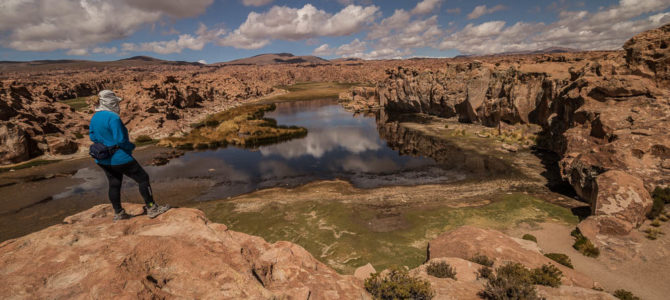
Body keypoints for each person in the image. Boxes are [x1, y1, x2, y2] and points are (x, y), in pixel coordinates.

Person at [89, 90, 170, 221]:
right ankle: (152, 208)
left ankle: (119, 213)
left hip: (102, 159)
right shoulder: (113, 118)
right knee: (143, 178)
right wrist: (131, 147)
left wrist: (105, 142)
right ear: (110, 102)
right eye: (115, 102)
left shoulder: (95, 117)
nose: (117, 105)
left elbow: (92, 136)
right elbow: (121, 140)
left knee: (114, 183)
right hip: (119, 157)